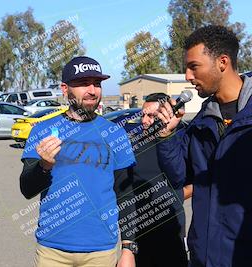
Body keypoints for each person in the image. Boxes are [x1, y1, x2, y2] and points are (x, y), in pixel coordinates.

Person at [20, 56, 137, 267]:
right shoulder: (42, 130)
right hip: (52, 250)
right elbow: (27, 189)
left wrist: (129, 248)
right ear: (65, 89)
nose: (92, 90)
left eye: (97, 84)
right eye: (84, 84)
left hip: (101, 251)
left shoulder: (115, 134)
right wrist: (43, 166)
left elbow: (125, 194)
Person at [155, 25, 252, 267]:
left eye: (193, 66)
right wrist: (167, 136)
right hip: (203, 257)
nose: (187, 76)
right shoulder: (200, 122)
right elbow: (178, 177)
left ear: (222, 62)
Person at [115, 93, 191, 267]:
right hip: (140, 235)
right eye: (143, 115)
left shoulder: (178, 139)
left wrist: (174, 195)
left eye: (151, 115)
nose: (144, 121)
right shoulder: (133, 144)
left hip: (171, 232)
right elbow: (124, 191)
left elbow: (191, 180)